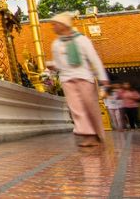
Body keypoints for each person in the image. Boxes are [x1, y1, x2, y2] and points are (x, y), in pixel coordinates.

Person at [46, 11, 108, 148]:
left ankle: (98, 133)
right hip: (67, 79)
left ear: (63, 25)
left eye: (55, 24)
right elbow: (59, 64)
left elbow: (94, 59)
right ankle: (88, 135)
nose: (53, 27)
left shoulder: (82, 40)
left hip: (84, 77)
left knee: (90, 106)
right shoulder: (56, 44)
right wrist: (51, 66)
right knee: (77, 109)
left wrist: (103, 78)